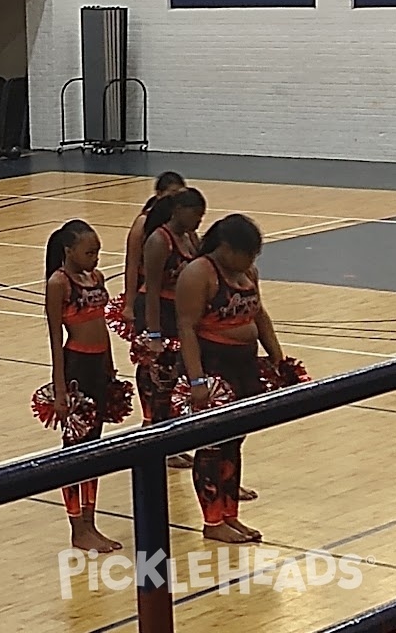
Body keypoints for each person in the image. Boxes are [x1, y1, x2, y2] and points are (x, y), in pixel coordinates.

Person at [175, 214, 283, 544]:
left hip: (244, 365)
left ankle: (230, 514)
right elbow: (187, 328)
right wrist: (197, 382)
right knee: (210, 447)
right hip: (212, 364)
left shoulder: (247, 272)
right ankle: (212, 522)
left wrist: (277, 354)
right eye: (247, 253)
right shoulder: (198, 274)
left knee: (234, 440)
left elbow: (259, 314)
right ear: (226, 248)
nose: (251, 261)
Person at [45, 220, 122, 553]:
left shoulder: (97, 279)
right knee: (76, 449)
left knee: (95, 447)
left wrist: (110, 363)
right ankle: (77, 526)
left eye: (98, 252)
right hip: (76, 365)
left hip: (99, 366)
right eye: (90, 252)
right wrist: (60, 389)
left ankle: (90, 521)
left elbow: (102, 325)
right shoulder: (58, 283)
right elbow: (54, 337)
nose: (96, 259)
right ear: (69, 251)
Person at [137, 188, 206, 468]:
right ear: (178, 210)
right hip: (161, 313)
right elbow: (151, 290)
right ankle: (158, 441)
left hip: (180, 313)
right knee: (160, 379)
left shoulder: (190, 238)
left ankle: (172, 440)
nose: (199, 221)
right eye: (196, 214)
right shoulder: (159, 240)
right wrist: (153, 334)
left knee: (176, 379)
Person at [120, 171, 187, 326]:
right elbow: (132, 264)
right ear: (159, 194)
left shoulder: (183, 223)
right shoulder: (143, 222)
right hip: (148, 285)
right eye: (173, 194)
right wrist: (129, 304)